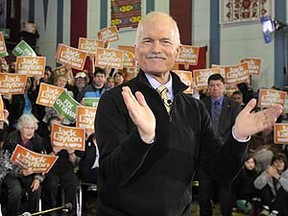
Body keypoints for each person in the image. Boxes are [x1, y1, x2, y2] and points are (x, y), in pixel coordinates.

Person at [95, 11, 282, 216]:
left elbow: (221, 171)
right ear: (136, 49)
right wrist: (143, 138)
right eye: (148, 41)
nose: (156, 49)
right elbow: (110, 175)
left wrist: (238, 136)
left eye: (165, 41)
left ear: (178, 50)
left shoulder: (194, 108)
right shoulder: (116, 99)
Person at [199, 73, 242, 216]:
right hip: (205, 156)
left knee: (225, 194)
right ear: (208, 88)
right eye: (212, 85)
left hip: (225, 156)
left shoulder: (235, 106)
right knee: (204, 194)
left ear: (224, 87)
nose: (215, 88)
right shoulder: (200, 104)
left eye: (218, 85)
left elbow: (237, 130)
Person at [1, 114, 46, 216]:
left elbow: (44, 162)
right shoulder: (11, 139)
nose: (30, 131)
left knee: (36, 188)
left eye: (32, 128)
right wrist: (20, 172)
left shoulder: (38, 141)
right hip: (11, 172)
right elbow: (4, 163)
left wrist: (38, 178)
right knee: (16, 190)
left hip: (30, 172)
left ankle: (32, 214)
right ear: (20, 128)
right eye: (27, 128)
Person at [42, 116, 79, 216]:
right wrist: (54, 152)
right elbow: (43, 162)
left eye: (59, 126)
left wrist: (71, 153)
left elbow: (75, 163)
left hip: (66, 169)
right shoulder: (44, 140)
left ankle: (69, 210)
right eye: (54, 127)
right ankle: (51, 210)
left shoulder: (67, 139)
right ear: (49, 128)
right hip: (51, 170)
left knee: (73, 182)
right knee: (51, 185)